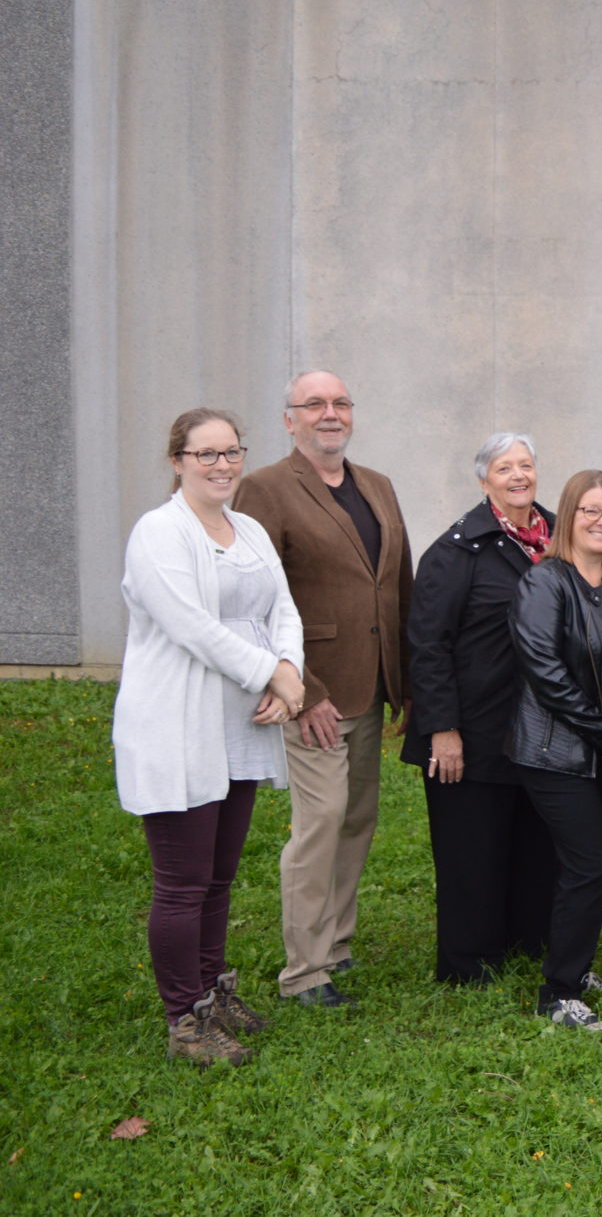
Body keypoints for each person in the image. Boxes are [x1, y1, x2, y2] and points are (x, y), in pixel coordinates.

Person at [114, 409, 306, 1065]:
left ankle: (212, 990)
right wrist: (272, 674)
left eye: (231, 452)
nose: (221, 465)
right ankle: (185, 1021)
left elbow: (282, 609)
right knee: (183, 881)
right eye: (205, 454)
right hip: (177, 726)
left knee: (219, 877)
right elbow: (191, 625)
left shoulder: (248, 528)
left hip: (237, 726)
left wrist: (289, 676)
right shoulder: (158, 534)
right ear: (177, 461)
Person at [236, 371, 411, 1009]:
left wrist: (409, 682)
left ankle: (335, 942)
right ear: (290, 420)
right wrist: (302, 691)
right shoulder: (265, 489)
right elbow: (254, 602)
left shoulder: (378, 487)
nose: (328, 414)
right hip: (313, 691)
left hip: (373, 686)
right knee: (320, 822)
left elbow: (399, 587)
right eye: (314, 405)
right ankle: (304, 971)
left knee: (357, 818)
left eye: (339, 403)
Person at [399, 432, 558, 984]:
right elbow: (428, 644)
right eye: (504, 467)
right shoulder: (457, 549)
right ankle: (468, 962)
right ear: (483, 480)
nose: (519, 475)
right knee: (473, 849)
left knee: (533, 843)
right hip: (471, 728)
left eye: (526, 465)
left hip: (540, 727)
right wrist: (443, 729)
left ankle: (527, 940)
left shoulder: (559, 537)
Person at [505, 470, 602, 1032]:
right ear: (569, 516)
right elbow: (543, 671)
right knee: (589, 864)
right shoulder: (545, 583)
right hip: (553, 751)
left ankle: (574, 962)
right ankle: (558, 992)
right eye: (591, 511)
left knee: (583, 866)